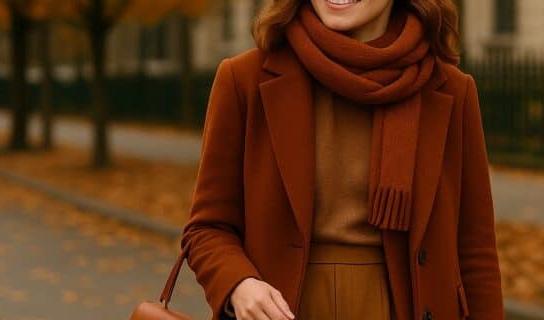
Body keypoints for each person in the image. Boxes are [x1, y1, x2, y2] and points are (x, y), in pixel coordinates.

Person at [181, 0, 503, 319]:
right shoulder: (244, 80)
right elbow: (207, 228)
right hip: (288, 310)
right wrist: (239, 283)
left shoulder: (450, 91)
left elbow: (476, 255)